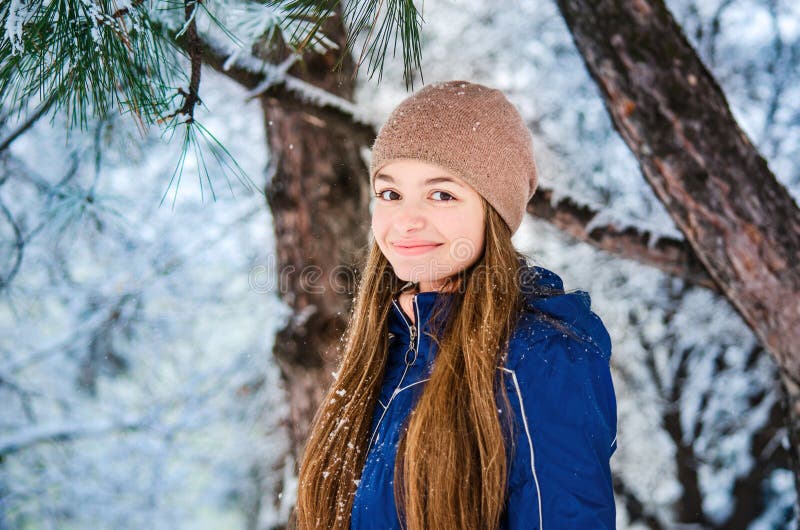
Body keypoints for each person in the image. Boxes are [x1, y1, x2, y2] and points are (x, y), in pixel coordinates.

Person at [294, 80, 617, 530]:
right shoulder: (387, 349)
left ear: (493, 212)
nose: (406, 220)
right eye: (390, 194)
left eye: (441, 194)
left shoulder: (538, 360)